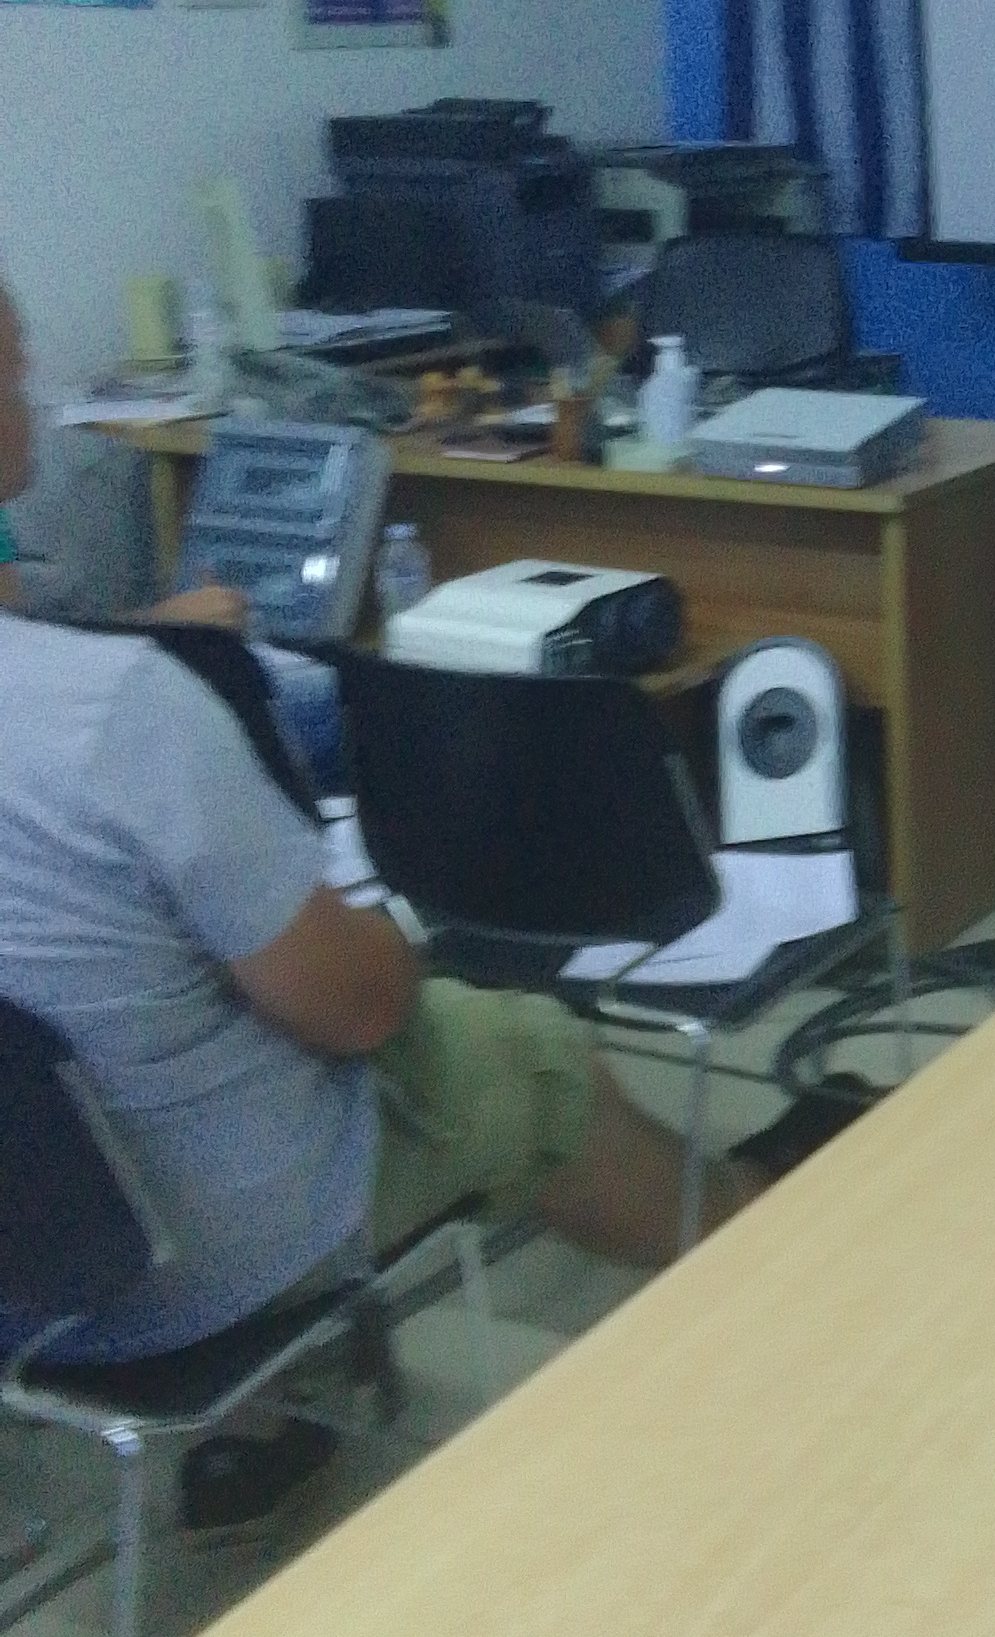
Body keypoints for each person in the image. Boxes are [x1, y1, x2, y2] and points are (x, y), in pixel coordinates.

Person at [0, 275, 773, 1528]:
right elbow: (358, 1011)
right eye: (15, 369)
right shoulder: (117, 714)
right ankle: (775, 1266)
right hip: (181, 1266)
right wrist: (384, 938)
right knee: (514, 1048)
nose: (32, 397)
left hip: (20, 1275)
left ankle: (280, 1409)